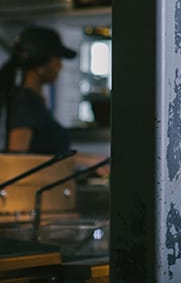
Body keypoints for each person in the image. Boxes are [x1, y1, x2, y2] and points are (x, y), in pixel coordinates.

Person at [0, 26, 109, 173]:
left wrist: (87, 159)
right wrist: (84, 160)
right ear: (40, 65)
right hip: (33, 194)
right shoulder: (25, 103)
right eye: (56, 59)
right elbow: (18, 159)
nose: (60, 65)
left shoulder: (35, 101)